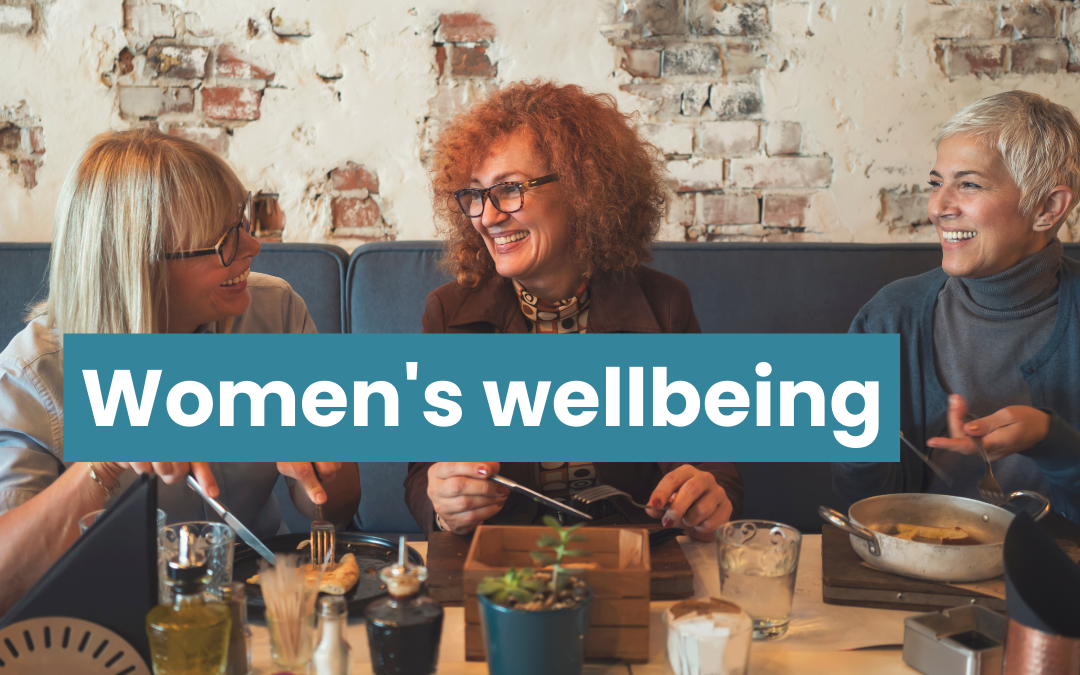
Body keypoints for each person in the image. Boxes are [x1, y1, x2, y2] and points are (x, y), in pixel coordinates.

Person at [0, 129, 361, 614]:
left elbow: (339, 506)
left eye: (243, 223)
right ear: (140, 265)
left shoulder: (272, 314)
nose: (253, 247)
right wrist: (102, 462)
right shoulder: (34, 378)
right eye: (226, 240)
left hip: (258, 605)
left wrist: (321, 466)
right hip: (109, 621)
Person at [408, 81, 743, 539]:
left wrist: (709, 495)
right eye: (475, 194)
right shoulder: (448, 314)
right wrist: (444, 504)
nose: (486, 216)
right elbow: (421, 473)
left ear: (583, 192)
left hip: (631, 557)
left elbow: (712, 463)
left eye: (509, 189)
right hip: (505, 570)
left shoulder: (664, 305)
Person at [833, 91, 1080, 523]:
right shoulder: (891, 316)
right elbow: (861, 514)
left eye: (968, 184)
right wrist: (852, 441)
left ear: (1047, 207)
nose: (937, 208)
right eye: (936, 183)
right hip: (917, 573)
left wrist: (1051, 441)